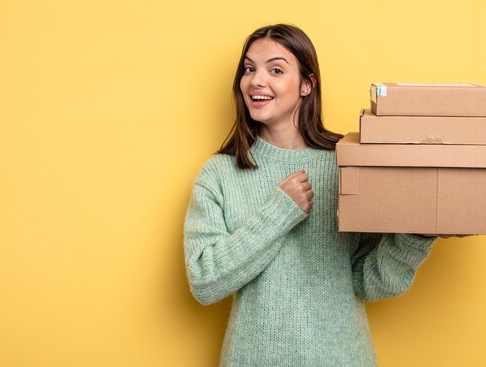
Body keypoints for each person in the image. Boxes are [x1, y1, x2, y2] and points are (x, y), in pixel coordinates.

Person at [183, 23, 436, 366]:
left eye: (275, 69)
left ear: (306, 84)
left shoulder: (348, 166)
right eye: (248, 69)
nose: (256, 80)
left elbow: (369, 282)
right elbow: (205, 282)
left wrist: (415, 237)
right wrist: (279, 213)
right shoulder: (219, 175)